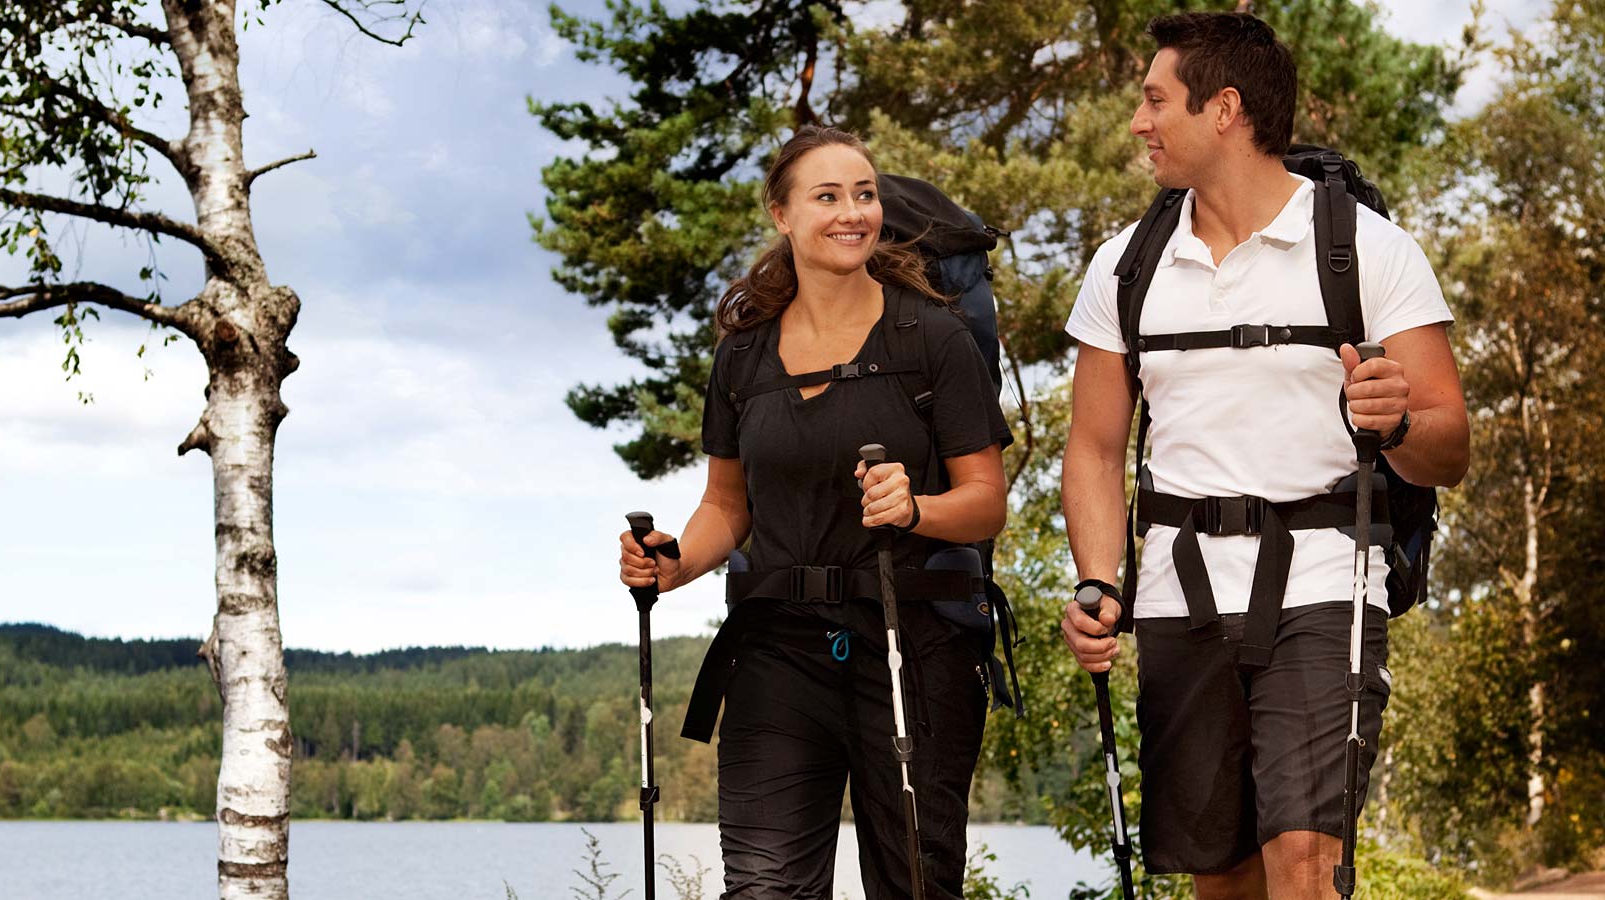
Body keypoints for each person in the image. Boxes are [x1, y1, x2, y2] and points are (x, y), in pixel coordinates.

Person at [1058, 12, 1470, 900]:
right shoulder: (1124, 268)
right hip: (1180, 596)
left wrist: (1399, 423)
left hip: (1326, 588)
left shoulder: (1366, 248)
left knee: (1306, 865)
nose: (1139, 123)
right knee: (1222, 877)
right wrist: (1100, 581)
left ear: (1226, 110)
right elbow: (1093, 450)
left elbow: (1451, 446)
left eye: (1155, 100)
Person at [617, 124, 1011, 900]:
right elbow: (726, 505)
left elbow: (986, 502)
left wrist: (915, 509)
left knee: (916, 886)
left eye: (863, 194)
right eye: (827, 196)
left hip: (913, 649)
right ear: (781, 216)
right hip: (777, 652)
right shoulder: (743, 354)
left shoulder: (933, 337)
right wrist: (676, 563)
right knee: (764, 889)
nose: (852, 212)